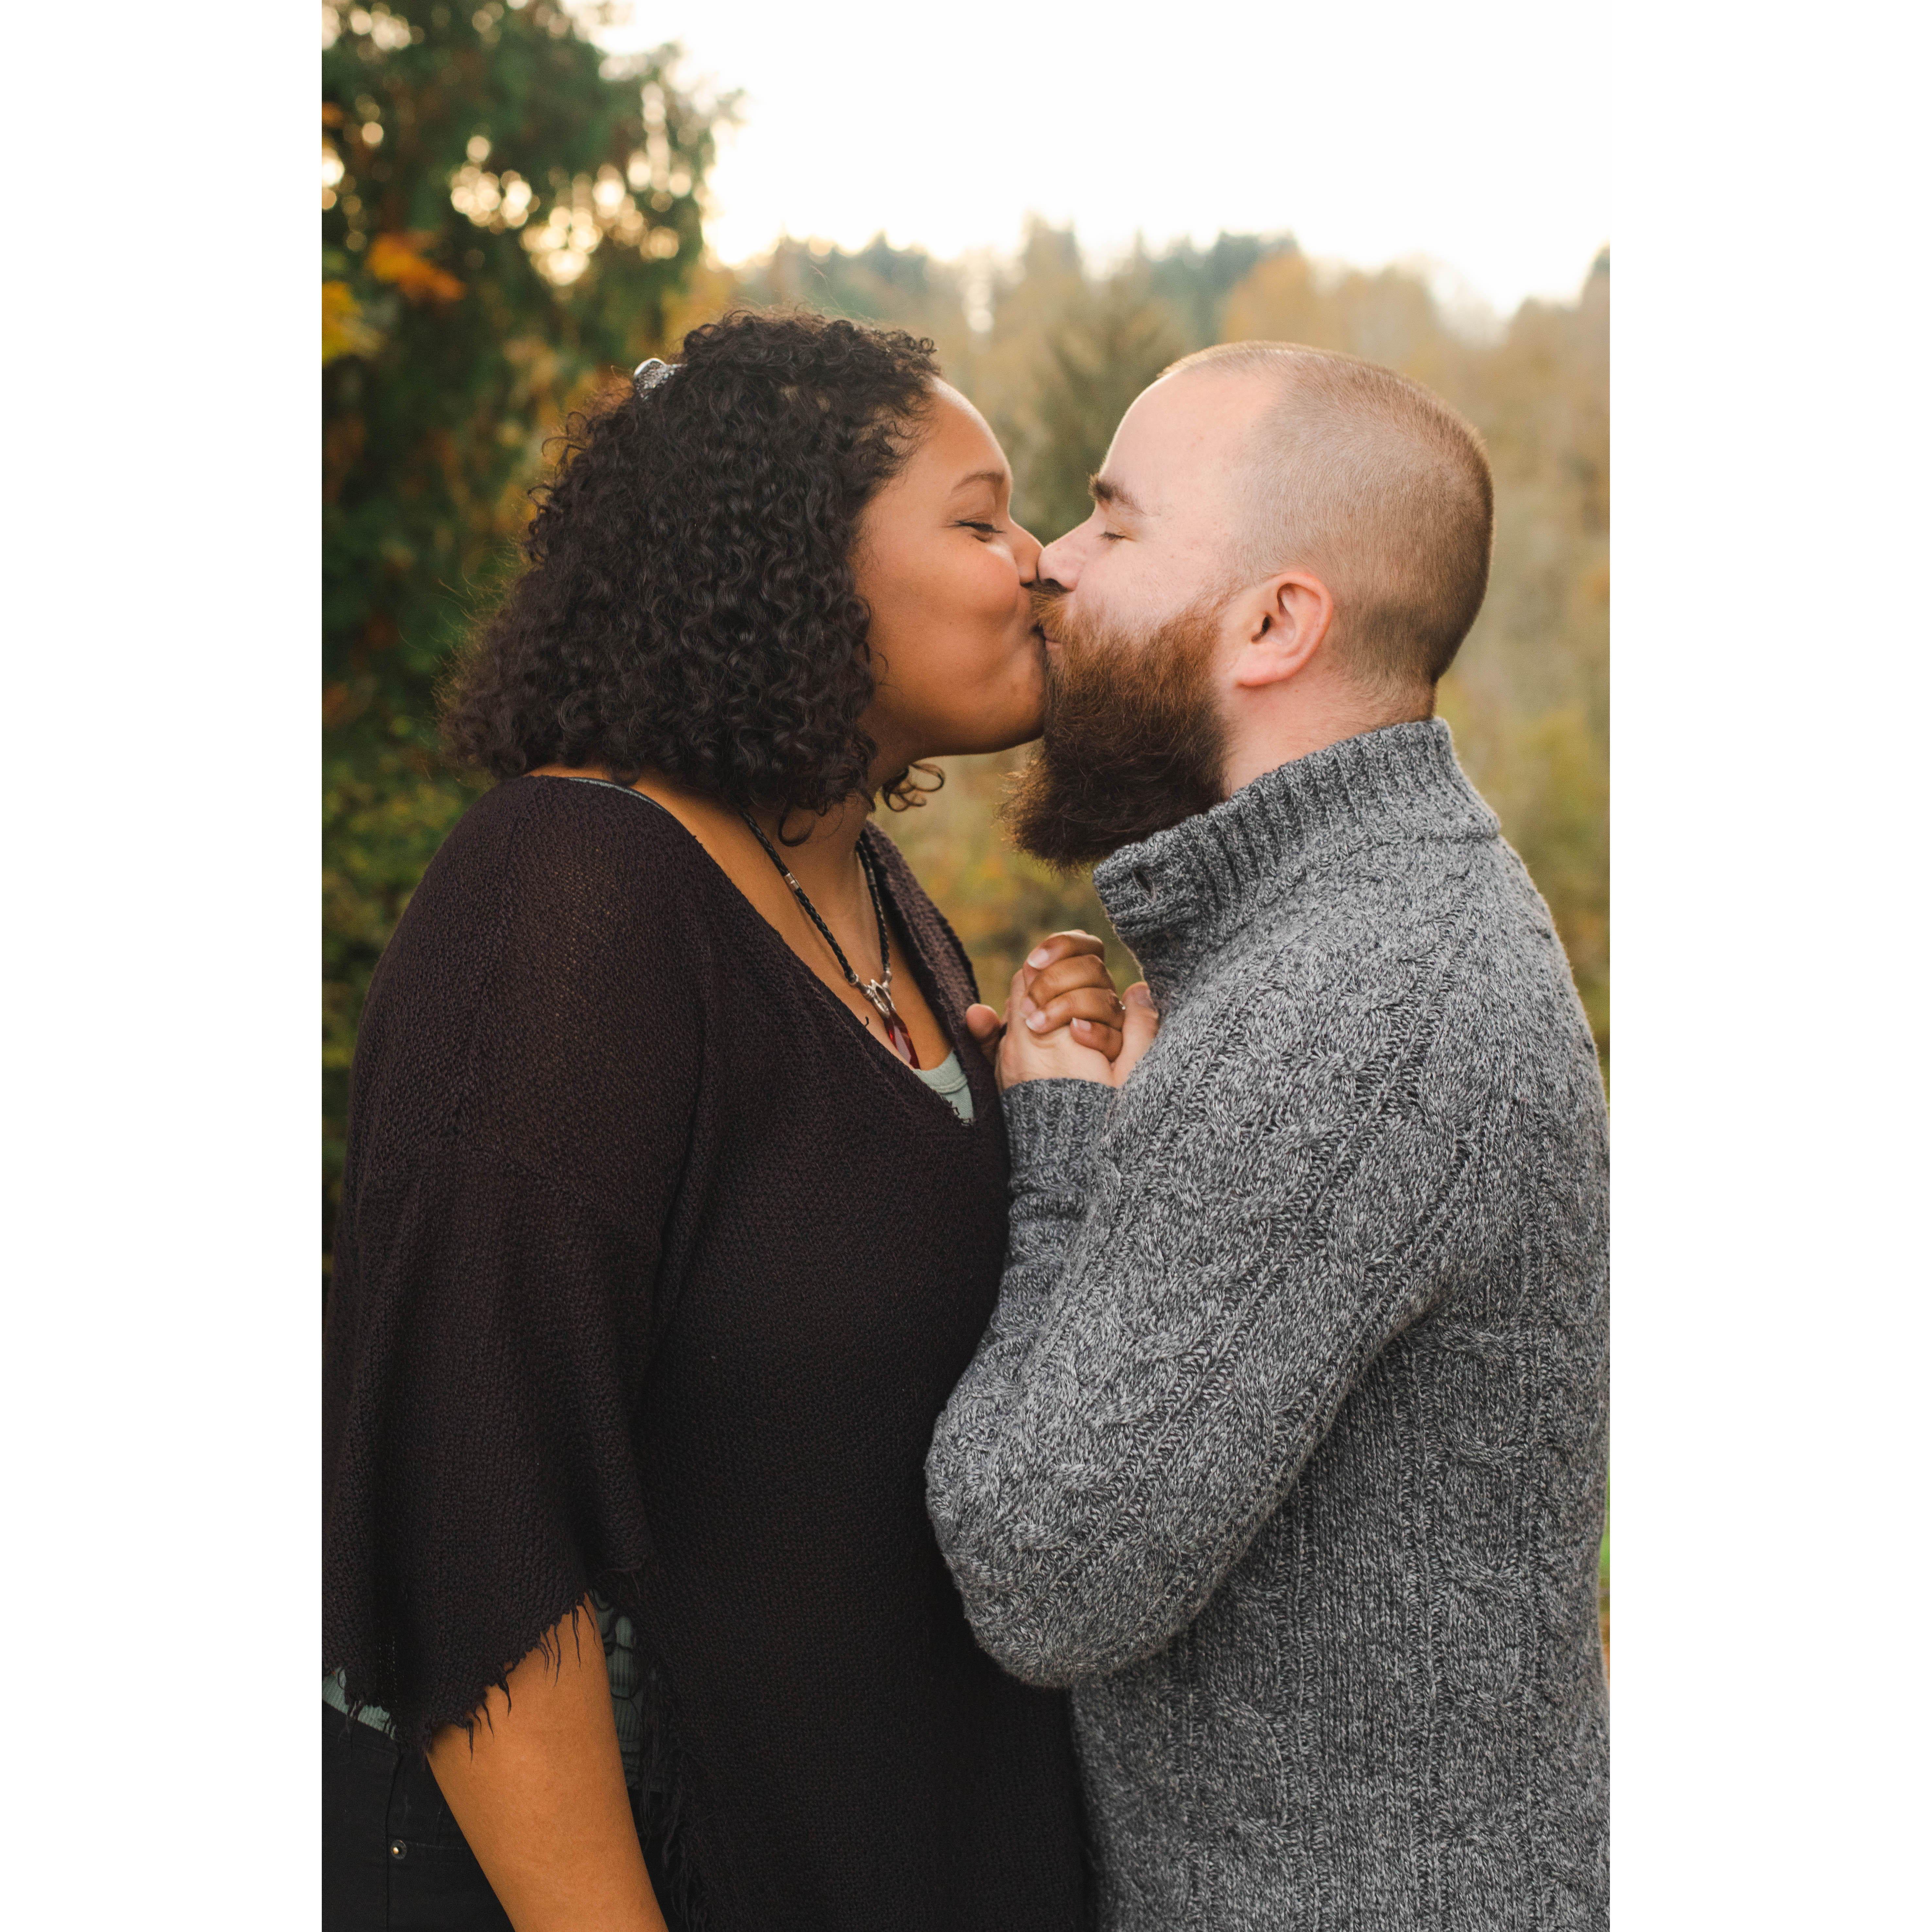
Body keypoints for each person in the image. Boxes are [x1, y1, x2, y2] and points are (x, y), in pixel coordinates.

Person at [321, 310, 1126, 1932]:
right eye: (979, 521)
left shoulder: (874, 898)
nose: (1040, 563)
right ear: (796, 565)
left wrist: (1043, 1118)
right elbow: (474, 1508)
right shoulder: (566, 894)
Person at [927, 341, 1610, 1929]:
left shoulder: (1356, 994)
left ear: (1273, 625)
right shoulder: (1363, 923)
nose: (1051, 563)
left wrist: (1065, 1160)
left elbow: (1044, 1572)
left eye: (1114, 520)